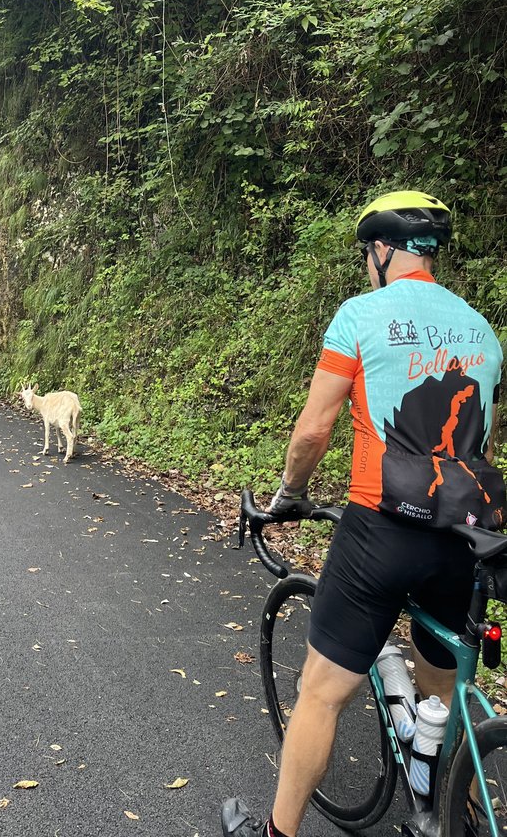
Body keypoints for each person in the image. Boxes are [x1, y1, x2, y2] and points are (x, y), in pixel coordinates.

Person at [222, 190, 505, 837]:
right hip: (466, 535)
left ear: (382, 249)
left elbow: (314, 432)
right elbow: (479, 439)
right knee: (442, 684)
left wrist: (289, 495)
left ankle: (276, 832)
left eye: (364, 253)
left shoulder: (360, 316)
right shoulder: (482, 330)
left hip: (382, 526)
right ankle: (449, 807)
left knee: (322, 691)